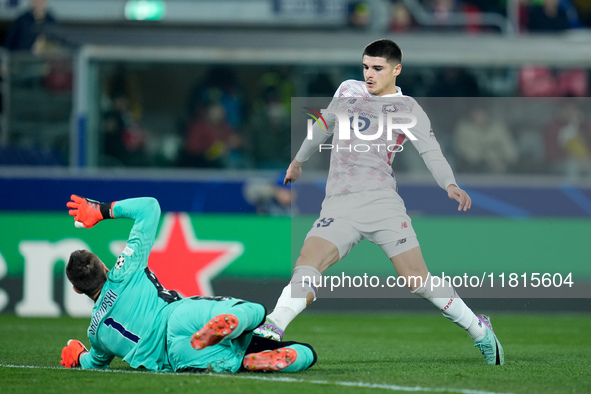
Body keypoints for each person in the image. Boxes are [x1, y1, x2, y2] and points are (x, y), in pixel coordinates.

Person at [254, 39, 504, 366]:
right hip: (339, 204)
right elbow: (324, 125)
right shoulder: (348, 90)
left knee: (417, 280)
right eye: (365, 67)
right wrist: (298, 161)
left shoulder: (408, 109)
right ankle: (275, 325)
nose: (369, 74)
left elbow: (431, 152)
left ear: (396, 70)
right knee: (307, 263)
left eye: (377, 68)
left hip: (381, 203)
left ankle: (478, 328)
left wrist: (450, 184)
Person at [60, 195, 316, 373]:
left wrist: (78, 355)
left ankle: (246, 363)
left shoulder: (97, 333)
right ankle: (236, 320)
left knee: (264, 354)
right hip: (181, 315)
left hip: (175, 355)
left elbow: (95, 363)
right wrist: (101, 211)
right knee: (257, 313)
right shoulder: (124, 270)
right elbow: (149, 207)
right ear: (105, 268)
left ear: (77, 289)